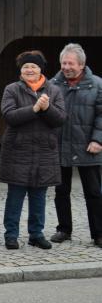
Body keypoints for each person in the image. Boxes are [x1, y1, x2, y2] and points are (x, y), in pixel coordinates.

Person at [0, 50, 67, 249]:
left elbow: (61, 119)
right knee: (15, 197)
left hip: (45, 152)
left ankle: (36, 234)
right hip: (17, 151)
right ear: (21, 71)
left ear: (41, 69)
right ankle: (11, 235)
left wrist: (47, 108)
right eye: (26, 66)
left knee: (39, 197)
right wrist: (34, 109)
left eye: (34, 66)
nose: (30, 69)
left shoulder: (53, 90)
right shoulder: (12, 89)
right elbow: (9, 116)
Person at [50, 43, 102, 246]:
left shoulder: (97, 85)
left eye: (70, 63)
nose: (66, 67)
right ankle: (64, 229)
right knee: (61, 191)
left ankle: (98, 233)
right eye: (63, 63)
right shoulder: (53, 84)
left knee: (94, 192)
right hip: (61, 145)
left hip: (89, 146)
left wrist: (98, 139)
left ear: (82, 64)